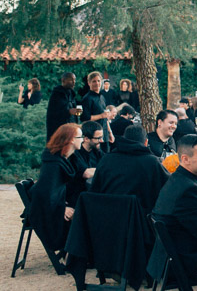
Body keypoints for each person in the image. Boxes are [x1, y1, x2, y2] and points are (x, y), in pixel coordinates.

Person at [151, 134, 197, 279]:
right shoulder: (188, 189)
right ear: (185, 159)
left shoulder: (179, 179)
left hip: (169, 258)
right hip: (184, 262)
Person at [29, 123, 83, 252]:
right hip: (49, 215)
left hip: (55, 206)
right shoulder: (54, 165)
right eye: (80, 137)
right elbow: (45, 193)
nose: (83, 139)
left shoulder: (63, 159)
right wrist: (62, 208)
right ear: (71, 140)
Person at [91, 125, 169, 214]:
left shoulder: (106, 159)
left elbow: (94, 191)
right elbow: (166, 191)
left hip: (107, 217)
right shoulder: (152, 162)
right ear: (146, 143)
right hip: (139, 221)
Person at [81, 71, 112, 152]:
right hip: (94, 137)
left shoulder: (102, 97)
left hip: (104, 134)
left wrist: (110, 132)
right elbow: (85, 118)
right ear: (89, 83)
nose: (97, 83)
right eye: (94, 81)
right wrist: (101, 115)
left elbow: (106, 116)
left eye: (98, 81)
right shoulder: (87, 99)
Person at [46, 72, 81, 141]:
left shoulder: (71, 94)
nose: (74, 82)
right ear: (63, 80)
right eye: (71, 80)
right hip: (59, 130)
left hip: (71, 129)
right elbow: (53, 114)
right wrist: (69, 112)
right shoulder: (57, 94)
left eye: (74, 80)